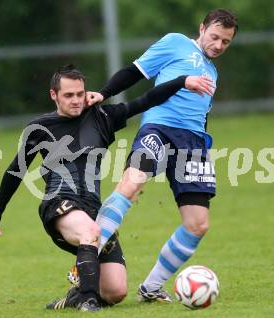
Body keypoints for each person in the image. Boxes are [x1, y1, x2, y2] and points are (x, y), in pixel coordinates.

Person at [0, 65, 210, 312]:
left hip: (93, 209)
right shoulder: (39, 128)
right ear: (53, 95)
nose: (76, 101)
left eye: (80, 94)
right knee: (90, 231)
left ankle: (76, 295)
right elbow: (15, 171)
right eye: (68, 95)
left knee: (115, 291)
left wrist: (182, 81)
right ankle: (87, 300)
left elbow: (145, 100)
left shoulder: (101, 117)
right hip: (58, 203)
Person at [86, 8, 238, 302]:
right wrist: (103, 94)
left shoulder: (213, 73)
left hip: (193, 144)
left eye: (226, 42)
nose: (219, 45)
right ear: (202, 28)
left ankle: (151, 287)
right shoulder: (175, 43)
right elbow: (135, 71)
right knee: (132, 182)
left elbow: (201, 116)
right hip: (159, 129)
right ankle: (87, 260)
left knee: (198, 224)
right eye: (215, 37)